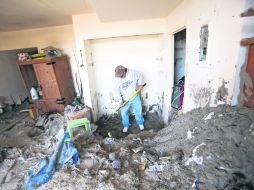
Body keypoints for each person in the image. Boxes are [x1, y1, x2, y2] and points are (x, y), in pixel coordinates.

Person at [114, 65, 145, 133]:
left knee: (138, 110)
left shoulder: (133, 73)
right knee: (124, 113)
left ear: (125, 71)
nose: (120, 77)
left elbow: (139, 76)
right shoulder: (117, 79)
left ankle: (140, 123)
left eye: (121, 76)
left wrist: (140, 84)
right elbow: (116, 90)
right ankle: (126, 125)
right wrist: (120, 101)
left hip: (135, 97)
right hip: (125, 99)